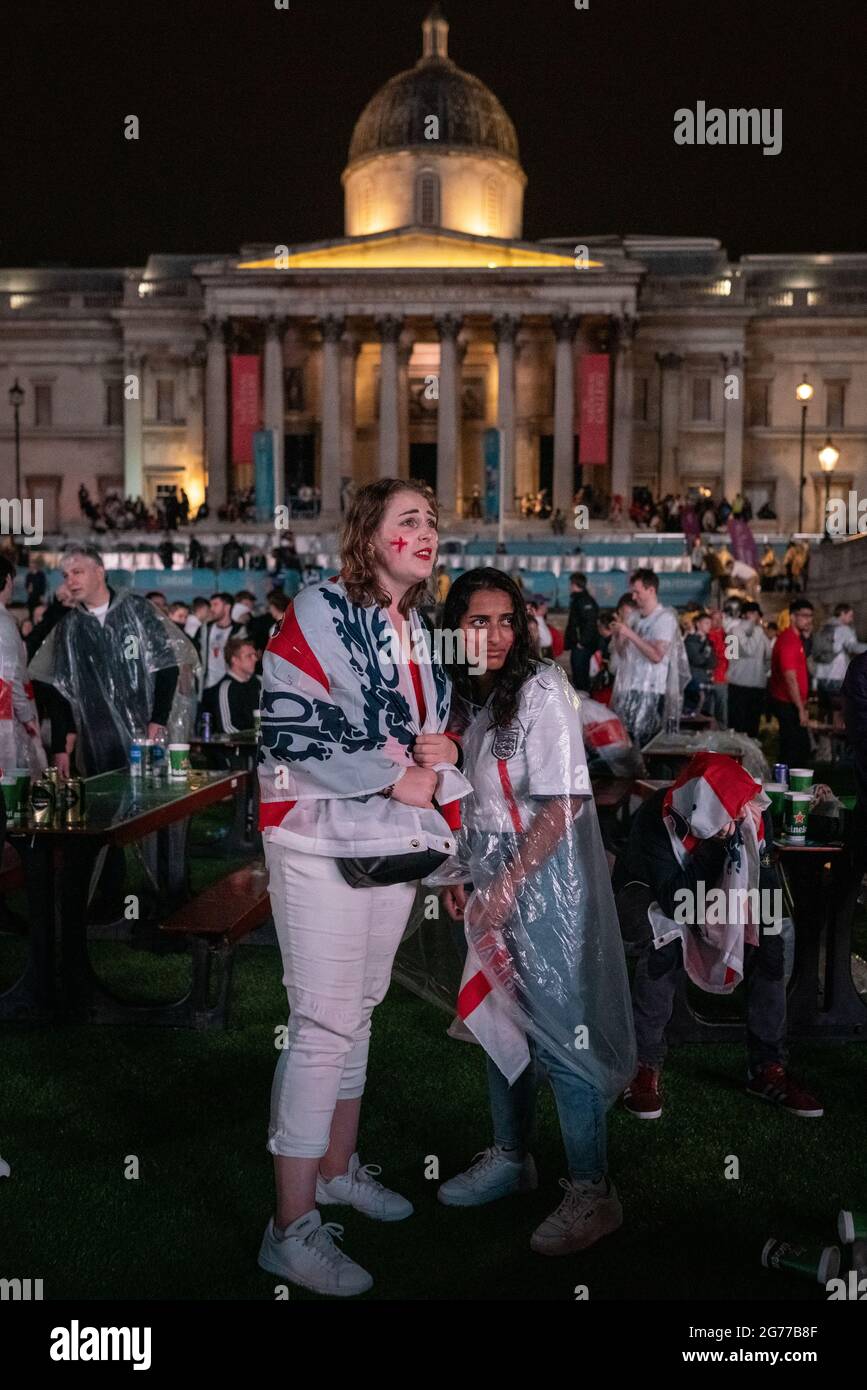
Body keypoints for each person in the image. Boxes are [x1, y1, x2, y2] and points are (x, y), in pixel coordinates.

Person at [256, 478, 472, 1298]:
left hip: (383, 839)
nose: (425, 532)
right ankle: (289, 1229)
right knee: (319, 1022)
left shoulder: (416, 625)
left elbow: (428, 725)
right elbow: (288, 723)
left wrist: (438, 748)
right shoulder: (319, 607)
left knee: (361, 1007)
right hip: (314, 832)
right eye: (407, 519)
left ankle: (336, 1172)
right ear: (368, 536)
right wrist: (395, 777)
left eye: (432, 520)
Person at [433, 569, 635, 1255]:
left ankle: (591, 1189)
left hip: (544, 885)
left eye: (502, 620)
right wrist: (465, 874)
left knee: (559, 1031)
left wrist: (510, 883)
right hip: (497, 879)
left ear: (520, 625)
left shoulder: (543, 688)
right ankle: (512, 1156)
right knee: (501, 1020)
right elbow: (484, 803)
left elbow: (565, 801)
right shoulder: (477, 702)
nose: (490, 636)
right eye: (474, 621)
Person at [615, 753, 822, 1120]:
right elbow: (678, 903)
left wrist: (752, 921)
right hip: (651, 891)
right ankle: (643, 1064)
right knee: (665, 938)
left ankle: (766, 1067)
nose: (745, 814)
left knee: (769, 934)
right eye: (732, 811)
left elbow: (764, 878)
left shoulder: (754, 812)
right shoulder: (655, 818)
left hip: (715, 887)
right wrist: (715, 845)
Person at [28, 546, 194, 777]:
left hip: (145, 728)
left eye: (78, 572)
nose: (71, 581)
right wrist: (60, 746)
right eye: (66, 576)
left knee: (150, 798)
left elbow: (167, 664)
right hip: (97, 737)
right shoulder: (69, 627)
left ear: (99, 572)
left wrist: (158, 719)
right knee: (106, 801)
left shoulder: (138, 611)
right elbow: (58, 689)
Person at [610, 568, 686, 746]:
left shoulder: (664, 618)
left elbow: (657, 656)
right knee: (628, 744)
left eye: (637, 592)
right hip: (630, 688)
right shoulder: (635, 618)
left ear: (651, 590)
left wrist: (630, 634)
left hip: (651, 692)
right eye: (632, 592)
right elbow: (623, 654)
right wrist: (618, 636)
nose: (634, 597)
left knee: (647, 747)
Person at [0, 555, 47, 778]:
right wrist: (28, 718)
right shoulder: (3, 622)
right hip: (6, 723)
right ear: (8, 580)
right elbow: (10, 678)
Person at [768, 597, 813, 767]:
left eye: (810, 616)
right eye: (804, 616)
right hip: (787, 702)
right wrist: (800, 708)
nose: (808, 620)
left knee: (795, 748)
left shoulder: (795, 639)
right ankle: (787, 786)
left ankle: (788, 785)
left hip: (792, 701)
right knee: (794, 749)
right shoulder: (788, 640)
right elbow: (790, 678)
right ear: (793, 617)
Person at [726, 602, 771, 738]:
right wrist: (757, 631)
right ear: (746, 614)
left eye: (757, 614)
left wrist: (761, 672)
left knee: (752, 725)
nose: (755, 617)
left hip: (756, 685)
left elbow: (768, 658)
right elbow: (742, 652)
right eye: (753, 614)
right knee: (737, 725)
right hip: (738, 684)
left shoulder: (762, 636)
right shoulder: (735, 631)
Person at [813, 604, 866, 715]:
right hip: (837, 677)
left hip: (820, 677)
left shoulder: (823, 628)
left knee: (823, 711)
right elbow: (853, 647)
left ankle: (820, 731)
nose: (852, 619)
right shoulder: (843, 629)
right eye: (850, 615)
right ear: (842, 614)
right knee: (838, 714)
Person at [200, 637, 261, 733]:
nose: (255, 659)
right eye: (249, 656)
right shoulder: (227, 688)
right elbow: (228, 728)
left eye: (255, 655)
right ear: (235, 660)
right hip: (241, 746)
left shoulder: (258, 683)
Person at [196, 593, 248, 693]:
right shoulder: (205, 629)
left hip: (229, 686)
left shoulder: (239, 631)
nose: (211, 609)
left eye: (215, 605)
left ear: (227, 607)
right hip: (207, 686)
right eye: (211, 605)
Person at [563, 573, 599, 692]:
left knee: (581, 676)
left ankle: (584, 704)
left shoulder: (583, 600)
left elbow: (590, 623)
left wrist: (582, 642)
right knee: (578, 675)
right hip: (578, 644)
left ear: (574, 584)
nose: (569, 586)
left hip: (582, 646)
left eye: (570, 584)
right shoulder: (579, 599)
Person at [683, 612, 716, 715]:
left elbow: (713, 663)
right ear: (698, 624)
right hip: (694, 681)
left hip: (706, 681)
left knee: (706, 712)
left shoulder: (708, 642)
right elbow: (697, 660)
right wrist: (706, 651)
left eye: (710, 623)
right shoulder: (690, 641)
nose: (709, 626)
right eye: (706, 623)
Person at [706, 609, 729, 727]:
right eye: (715, 619)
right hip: (709, 678)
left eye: (720, 619)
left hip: (723, 678)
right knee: (708, 711)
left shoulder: (729, 636)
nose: (718, 621)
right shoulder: (705, 636)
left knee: (722, 710)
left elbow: (734, 659)